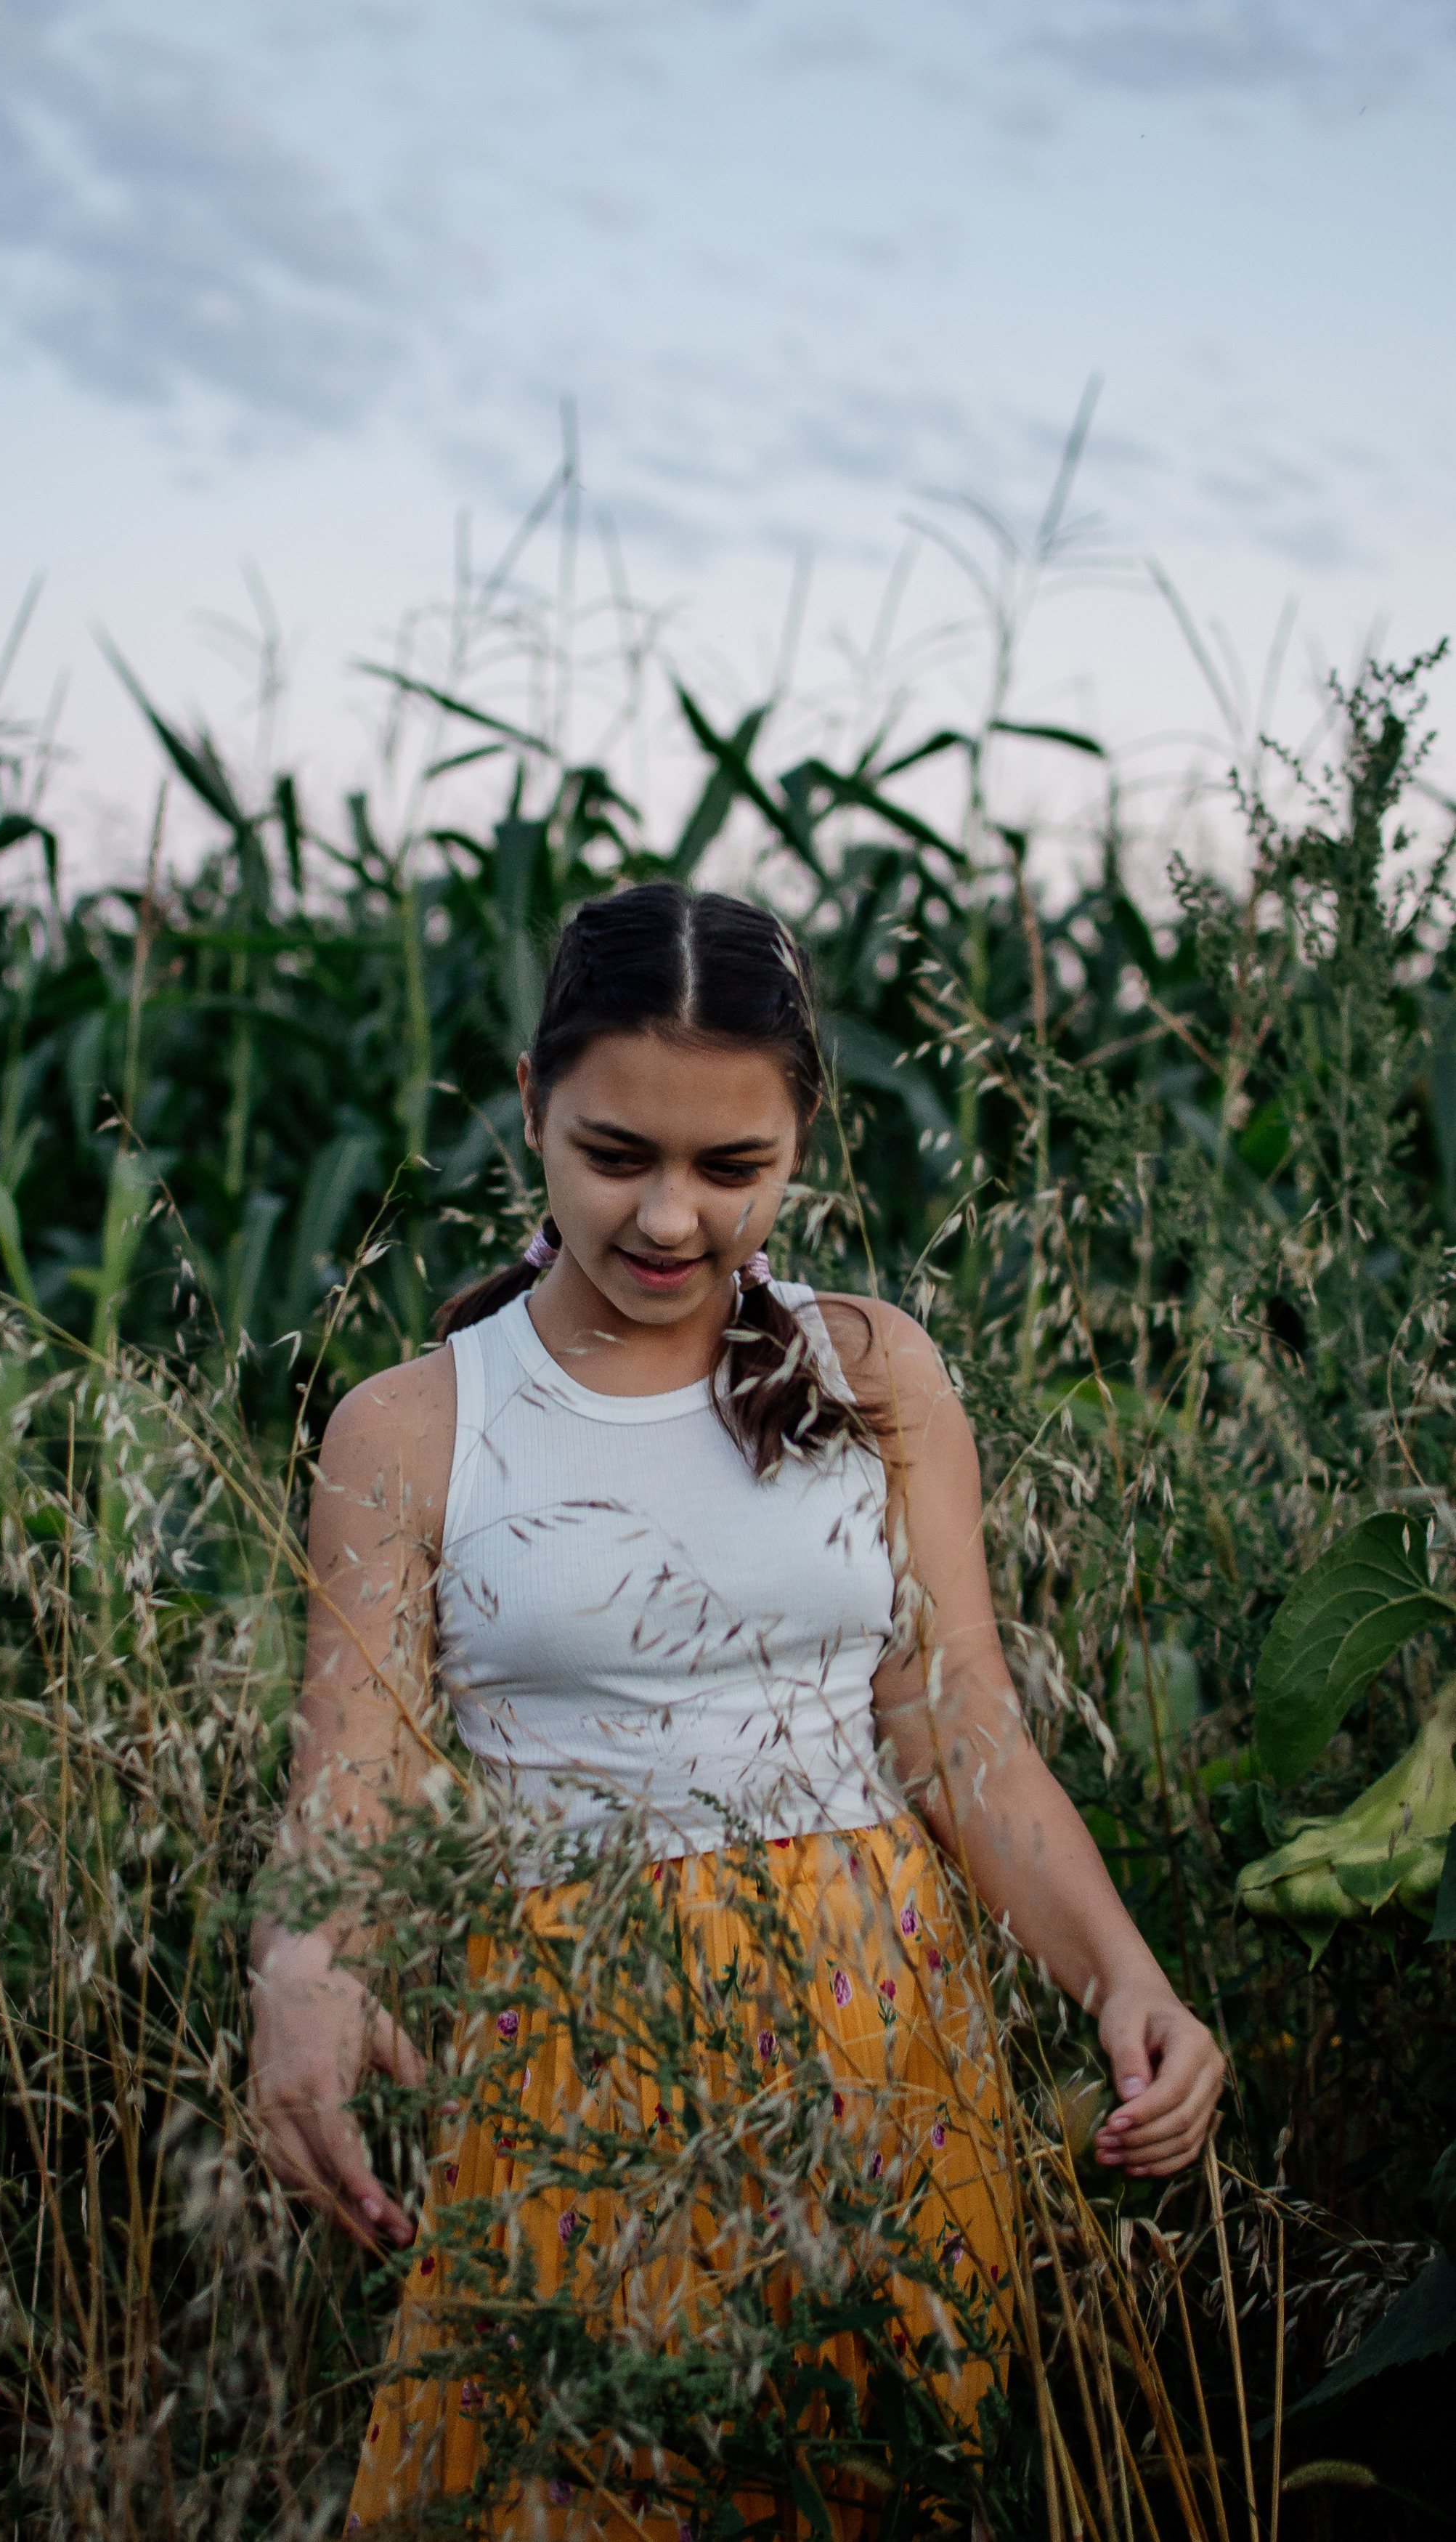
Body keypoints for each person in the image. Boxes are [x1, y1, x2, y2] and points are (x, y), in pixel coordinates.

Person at [249, 881, 1224, 2537]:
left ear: (804, 1140)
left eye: (733, 1168)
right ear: (533, 1101)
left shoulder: (879, 1372)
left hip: (884, 2041)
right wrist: (300, 1975)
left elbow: (960, 1725)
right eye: (616, 1154)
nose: (671, 1221)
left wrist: (1120, 1971)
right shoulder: (414, 1425)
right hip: (575, 2054)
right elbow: (354, 1773)